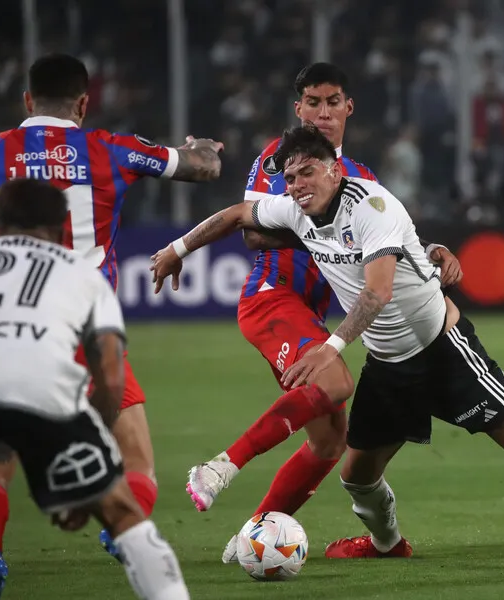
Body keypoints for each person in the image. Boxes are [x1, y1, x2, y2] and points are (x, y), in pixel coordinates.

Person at [153, 123, 504, 559]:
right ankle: (388, 545)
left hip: (444, 351)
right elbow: (237, 214)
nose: (297, 185)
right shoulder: (295, 208)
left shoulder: (373, 207)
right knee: (357, 478)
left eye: (308, 172)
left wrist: (331, 348)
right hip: (389, 365)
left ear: (334, 169)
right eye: (291, 177)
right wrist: (178, 249)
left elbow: (378, 293)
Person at [150, 63, 462, 564]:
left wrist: (431, 251)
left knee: (330, 442)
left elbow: (389, 243)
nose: (322, 112)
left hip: (312, 312)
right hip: (273, 296)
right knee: (336, 381)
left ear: (348, 108)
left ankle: (252, 536)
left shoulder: (362, 178)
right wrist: (179, 247)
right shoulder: (281, 160)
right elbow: (252, 232)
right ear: (298, 108)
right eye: (312, 103)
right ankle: (219, 467)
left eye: (332, 102)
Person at [0, 52, 223, 575]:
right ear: (83, 103)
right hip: (86, 332)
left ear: (28, 100)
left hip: (8, 331)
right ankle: (120, 529)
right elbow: (204, 167)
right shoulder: (111, 149)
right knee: (136, 458)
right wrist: (201, 148)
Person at [0, 179, 190, 600]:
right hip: (41, 385)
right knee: (122, 513)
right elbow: (111, 377)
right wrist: (89, 455)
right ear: (61, 228)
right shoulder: (82, 275)